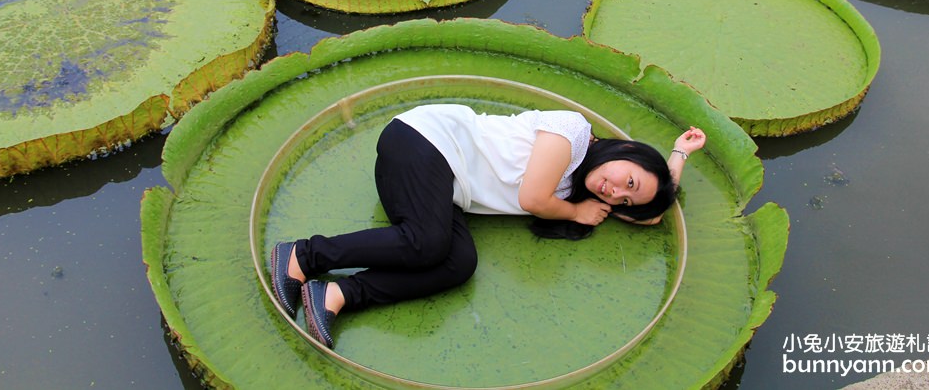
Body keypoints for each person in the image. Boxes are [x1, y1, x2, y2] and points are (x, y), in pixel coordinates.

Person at [270, 104, 706, 349]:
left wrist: (676, 159)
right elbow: (532, 199)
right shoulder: (572, 132)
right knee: (428, 243)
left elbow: (653, 213)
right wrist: (575, 214)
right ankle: (303, 256)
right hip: (425, 143)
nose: (614, 193)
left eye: (623, 199)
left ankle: (336, 293)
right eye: (625, 181)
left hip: (446, 188)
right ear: (624, 150)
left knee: (459, 263)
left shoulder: (577, 183)